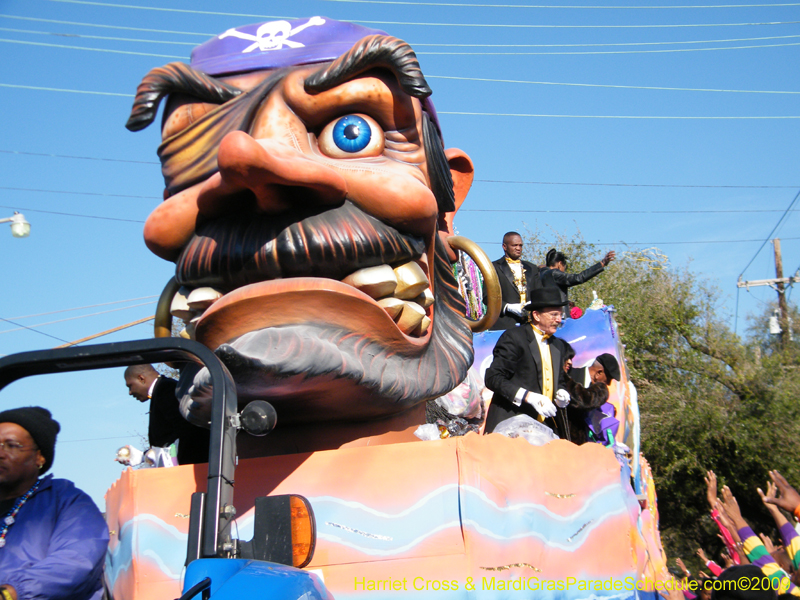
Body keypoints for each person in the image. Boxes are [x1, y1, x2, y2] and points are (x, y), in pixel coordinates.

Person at [0, 407, 108, 600]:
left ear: (39, 457)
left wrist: (12, 593)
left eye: (12, 445)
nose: (1, 453)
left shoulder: (68, 501)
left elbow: (76, 561)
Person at [484, 287, 571, 435]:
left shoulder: (558, 345)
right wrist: (528, 396)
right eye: (554, 314)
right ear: (536, 315)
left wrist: (561, 392)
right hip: (511, 425)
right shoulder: (514, 338)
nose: (559, 320)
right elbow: (493, 378)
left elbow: (558, 380)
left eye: (560, 315)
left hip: (544, 431)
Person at [123, 364, 209, 465]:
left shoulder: (165, 389)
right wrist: (144, 455)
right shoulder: (161, 390)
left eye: (130, 386)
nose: (130, 392)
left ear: (141, 378)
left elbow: (185, 432)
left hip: (188, 467)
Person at [487, 231, 543, 330]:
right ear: (504, 246)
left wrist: (532, 305)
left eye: (520, 245)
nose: (518, 248)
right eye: (514, 245)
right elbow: (487, 297)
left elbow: (539, 292)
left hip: (530, 325)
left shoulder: (532, 268)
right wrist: (508, 307)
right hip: (505, 325)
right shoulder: (493, 267)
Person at [539, 248, 616, 314]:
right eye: (564, 268)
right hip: (558, 317)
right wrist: (602, 263)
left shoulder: (540, 274)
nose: (563, 272)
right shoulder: (555, 273)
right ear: (560, 264)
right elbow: (579, 278)